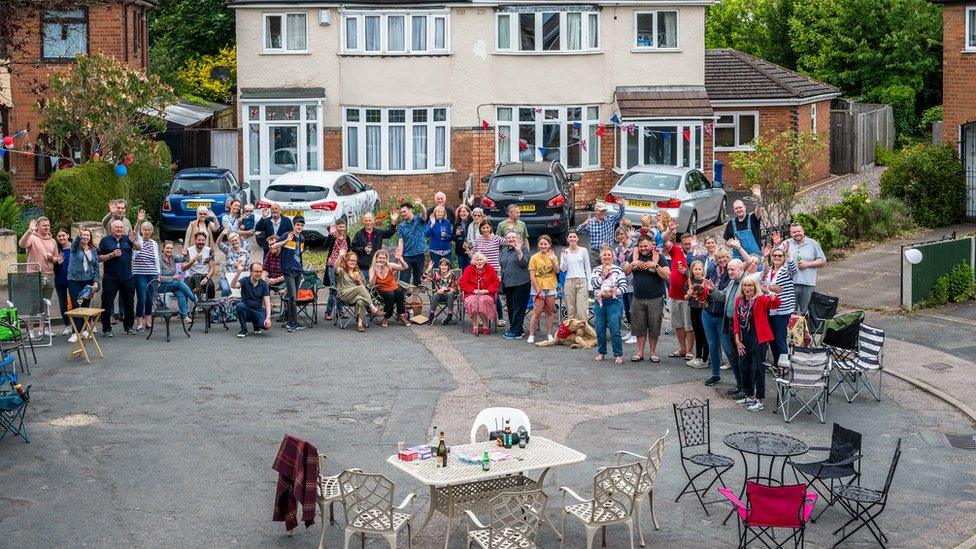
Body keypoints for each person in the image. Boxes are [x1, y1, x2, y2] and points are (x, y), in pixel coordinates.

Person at [733, 277, 781, 412]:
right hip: (743, 337)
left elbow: (776, 303)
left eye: (750, 286)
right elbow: (736, 320)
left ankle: (759, 399)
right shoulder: (739, 300)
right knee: (743, 366)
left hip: (759, 337)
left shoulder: (760, 299)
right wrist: (737, 339)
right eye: (745, 285)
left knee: (758, 368)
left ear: (755, 287)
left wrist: (768, 292)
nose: (747, 288)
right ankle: (749, 395)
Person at [625, 236, 670, 362]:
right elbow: (626, 271)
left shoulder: (659, 257)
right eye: (641, 246)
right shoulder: (634, 256)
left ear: (651, 245)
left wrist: (655, 265)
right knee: (639, 327)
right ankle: (640, 352)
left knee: (654, 326)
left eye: (645, 246)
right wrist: (633, 263)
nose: (643, 248)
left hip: (655, 298)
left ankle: (653, 353)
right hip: (638, 297)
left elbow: (667, 275)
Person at [708, 258, 747, 397]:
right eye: (728, 269)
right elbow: (723, 296)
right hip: (729, 324)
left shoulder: (746, 282)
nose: (729, 272)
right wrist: (712, 289)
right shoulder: (731, 283)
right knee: (733, 356)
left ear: (741, 269)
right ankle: (739, 385)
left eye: (732, 269)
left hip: (742, 326)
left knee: (742, 358)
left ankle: (746, 389)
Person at [98, 219, 141, 336]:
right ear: (112, 228)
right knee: (106, 303)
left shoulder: (128, 239)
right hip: (110, 277)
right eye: (116, 227)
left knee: (129, 303)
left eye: (121, 227)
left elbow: (138, 248)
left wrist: (134, 241)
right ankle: (106, 329)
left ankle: (129, 327)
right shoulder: (105, 241)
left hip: (127, 276)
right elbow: (98, 257)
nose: (119, 229)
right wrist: (111, 255)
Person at [762, 231, 797, 370]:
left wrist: (787, 253)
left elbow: (793, 269)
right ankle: (777, 363)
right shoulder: (770, 270)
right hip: (769, 309)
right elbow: (762, 281)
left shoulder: (786, 270)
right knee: (771, 338)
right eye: (775, 255)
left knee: (780, 338)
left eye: (779, 256)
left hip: (782, 310)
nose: (777, 257)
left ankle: (784, 365)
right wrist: (770, 287)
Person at [18, 216, 59, 338]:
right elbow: (21, 244)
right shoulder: (32, 237)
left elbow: (56, 258)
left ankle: (43, 329)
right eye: (44, 225)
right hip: (34, 274)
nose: (47, 227)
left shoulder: (53, 241)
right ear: (38, 226)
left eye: (48, 225)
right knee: (35, 304)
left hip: (49, 274)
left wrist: (53, 258)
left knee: (46, 304)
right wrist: (29, 230)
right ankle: (30, 330)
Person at [590, 247, 628, 364]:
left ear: (613, 257)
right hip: (599, 302)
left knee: (615, 329)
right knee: (600, 329)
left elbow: (623, 286)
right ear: (601, 257)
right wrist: (603, 276)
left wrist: (614, 292)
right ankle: (601, 352)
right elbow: (594, 284)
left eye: (609, 255)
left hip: (614, 303)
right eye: (604, 255)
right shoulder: (596, 270)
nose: (606, 257)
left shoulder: (618, 270)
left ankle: (618, 354)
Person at [701, 250, 732, 386]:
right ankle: (715, 375)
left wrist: (712, 289)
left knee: (727, 347)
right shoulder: (712, 271)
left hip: (722, 315)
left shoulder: (731, 273)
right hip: (708, 313)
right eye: (719, 258)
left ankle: (740, 380)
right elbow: (706, 286)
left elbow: (724, 296)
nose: (722, 260)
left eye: (724, 257)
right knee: (712, 345)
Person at [469, 220, 506, 327]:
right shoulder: (478, 240)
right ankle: (483, 318)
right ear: (480, 229)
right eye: (483, 228)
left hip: (493, 271)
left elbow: (508, 242)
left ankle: (500, 317)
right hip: (480, 271)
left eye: (487, 227)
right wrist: (468, 251)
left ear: (491, 228)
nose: (485, 230)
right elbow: (474, 256)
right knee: (482, 294)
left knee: (495, 294)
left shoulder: (496, 239)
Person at [665, 229, 696, 361]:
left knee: (688, 325)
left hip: (687, 296)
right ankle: (682, 348)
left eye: (689, 243)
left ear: (692, 243)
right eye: (685, 244)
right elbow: (664, 240)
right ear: (681, 243)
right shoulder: (675, 251)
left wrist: (687, 272)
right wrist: (669, 230)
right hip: (673, 295)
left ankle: (689, 350)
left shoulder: (696, 255)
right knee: (677, 325)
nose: (687, 246)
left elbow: (700, 273)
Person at [273, 216, 307, 333]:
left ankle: (289, 320)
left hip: (298, 270)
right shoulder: (287, 235)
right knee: (292, 296)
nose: (299, 227)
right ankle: (293, 323)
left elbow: (299, 255)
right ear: (293, 225)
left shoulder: (302, 238)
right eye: (298, 225)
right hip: (288, 271)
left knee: (294, 296)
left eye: (301, 225)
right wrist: (286, 241)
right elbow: (273, 246)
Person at [784, 222, 826, 315]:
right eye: (794, 232)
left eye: (799, 231)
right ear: (790, 234)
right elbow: (776, 257)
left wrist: (807, 264)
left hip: (808, 283)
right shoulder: (786, 243)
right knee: (791, 313)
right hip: (790, 283)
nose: (797, 233)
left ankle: (806, 329)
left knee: (806, 312)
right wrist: (776, 245)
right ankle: (791, 330)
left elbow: (822, 261)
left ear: (803, 231)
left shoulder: (813, 243)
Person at [66, 228, 100, 343]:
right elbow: (75, 243)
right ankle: (75, 332)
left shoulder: (93, 250)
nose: (85, 237)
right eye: (83, 235)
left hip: (88, 280)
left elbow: (95, 266)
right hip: (75, 280)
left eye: (87, 235)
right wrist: (79, 235)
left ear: (90, 238)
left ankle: (85, 329)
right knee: (77, 305)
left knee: (86, 305)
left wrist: (96, 281)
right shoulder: (75, 248)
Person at [335, 251, 382, 332]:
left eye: (355, 260)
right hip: (343, 295)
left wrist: (359, 280)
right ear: (346, 260)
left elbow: (364, 289)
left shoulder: (358, 273)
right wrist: (340, 256)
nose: (353, 262)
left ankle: (360, 325)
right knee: (360, 288)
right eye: (351, 260)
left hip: (355, 296)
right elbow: (335, 267)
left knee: (360, 299)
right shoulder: (342, 271)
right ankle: (372, 308)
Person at [459, 252, 500, 335]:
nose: (479, 261)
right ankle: (475, 325)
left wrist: (487, 290)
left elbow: (496, 282)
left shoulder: (490, 268)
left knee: (483, 301)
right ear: (474, 261)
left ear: (484, 261)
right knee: (472, 301)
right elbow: (462, 283)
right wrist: (473, 290)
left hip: (487, 293)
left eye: (481, 259)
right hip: (471, 293)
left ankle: (485, 326)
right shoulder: (468, 269)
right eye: (477, 260)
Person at [527, 235, 559, 343]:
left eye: (545, 244)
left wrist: (553, 260)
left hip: (550, 286)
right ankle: (531, 334)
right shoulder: (534, 257)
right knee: (537, 312)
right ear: (538, 245)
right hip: (538, 287)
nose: (543, 246)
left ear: (549, 245)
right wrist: (538, 290)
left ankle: (549, 333)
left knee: (550, 311)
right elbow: (532, 275)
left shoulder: (553, 256)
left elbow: (557, 270)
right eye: (541, 244)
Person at [499, 232, 530, 340]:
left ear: (518, 239)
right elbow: (502, 265)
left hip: (521, 283)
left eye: (513, 237)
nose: (511, 239)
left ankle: (515, 331)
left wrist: (518, 251)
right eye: (508, 237)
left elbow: (524, 263)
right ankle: (517, 329)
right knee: (511, 308)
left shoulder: (523, 249)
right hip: (508, 283)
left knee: (518, 308)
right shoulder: (505, 250)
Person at [577, 200, 627, 266]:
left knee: (609, 272)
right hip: (595, 253)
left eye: (604, 211)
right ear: (596, 211)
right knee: (596, 272)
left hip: (607, 251)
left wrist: (622, 206)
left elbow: (620, 215)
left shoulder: (610, 220)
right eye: (601, 211)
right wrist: (584, 224)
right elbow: (578, 231)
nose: (603, 213)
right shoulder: (590, 222)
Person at [132, 221, 161, 332]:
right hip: (140, 274)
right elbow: (135, 232)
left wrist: (158, 274)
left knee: (150, 298)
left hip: (152, 273)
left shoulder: (154, 243)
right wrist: (139, 221)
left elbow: (156, 259)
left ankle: (148, 322)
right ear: (142, 231)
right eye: (145, 229)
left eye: (149, 230)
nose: (147, 232)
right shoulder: (138, 241)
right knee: (142, 298)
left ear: (152, 231)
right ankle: (139, 323)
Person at [158, 241, 197, 322]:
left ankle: (184, 316)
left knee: (180, 292)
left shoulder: (172, 257)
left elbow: (183, 259)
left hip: (171, 285)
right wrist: (172, 277)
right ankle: (194, 299)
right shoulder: (159, 260)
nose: (169, 250)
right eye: (167, 248)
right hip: (161, 286)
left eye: (171, 248)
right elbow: (159, 277)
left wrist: (186, 254)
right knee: (178, 282)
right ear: (163, 249)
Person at [369, 249, 410, 327]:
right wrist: (375, 273)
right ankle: (386, 317)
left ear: (386, 259)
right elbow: (371, 285)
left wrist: (400, 259)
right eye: (380, 258)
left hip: (393, 288)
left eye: (384, 258)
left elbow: (405, 267)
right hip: (381, 290)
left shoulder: (390, 265)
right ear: (376, 258)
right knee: (391, 295)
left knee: (399, 291)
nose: (382, 260)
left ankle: (401, 315)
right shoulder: (372, 269)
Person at [231, 261, 273, 338]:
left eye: (260, 272)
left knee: (266, 326)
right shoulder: (244, 280)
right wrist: (239, 272)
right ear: (250, 272)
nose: (259, 274)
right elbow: (233, 286)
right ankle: (244, 329)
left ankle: (256, 325)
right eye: (256, 271)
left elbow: (267, 301)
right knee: (239, 305)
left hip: (257, 309)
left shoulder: (263, 284)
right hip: (246, 309)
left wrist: (268, 318)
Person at [351, 212, 395, 281]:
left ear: (373, 221)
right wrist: (363, 249)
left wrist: (393, 221)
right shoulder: (359, 234)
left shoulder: (378, 232)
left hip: (376, 265)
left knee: (375, 286)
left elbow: (390, 233)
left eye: (369, 220)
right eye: (366, 221)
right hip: (363, 265)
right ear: (363, 222)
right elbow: (353, 247)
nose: (368, 223)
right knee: (365, 285)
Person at [394, 200, 427, 286]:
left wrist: (420, 204)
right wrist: (399, 256)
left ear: (411, 210)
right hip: (407, 256)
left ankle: (415, 300)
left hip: (419, 254)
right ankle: (404, 299)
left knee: (417, 281)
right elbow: (400, 241)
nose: (403, 213)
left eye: (404, 211)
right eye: (401, 212)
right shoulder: (401, 226)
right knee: (404, 281)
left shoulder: (419, 220)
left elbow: (424, 214)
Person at [560, 231, 591, 322]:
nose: (572, 239)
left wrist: (589, 285)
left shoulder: (583, 250)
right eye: (570, 237)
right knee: (570, 311)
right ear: (567, 239)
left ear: (578, 238)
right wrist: (565, 258)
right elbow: (563, 269)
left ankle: (584, 333)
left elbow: (588, 267)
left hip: (581, 281)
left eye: (574, 237)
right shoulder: (564, 251)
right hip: (569, 282)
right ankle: (572, 334)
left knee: (582, 310)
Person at [323, 220, 351, 320]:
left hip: (343, 265)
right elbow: (325, 245)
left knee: (341, 287)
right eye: (340, 227)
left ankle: (340, 310)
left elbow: (349, 251)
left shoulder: (347, 238)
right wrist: (330, 234)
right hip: (332, 264)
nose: (342, 229)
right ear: (337, 227)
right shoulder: (333, 237)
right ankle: (328, 312)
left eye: (343, 227)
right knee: (334, 288)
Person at [685, 260, 709, 369]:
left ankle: (705, 358)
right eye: (695, 269)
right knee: (697, 332)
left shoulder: (706, 281)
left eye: (700, 269)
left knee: (704, 333)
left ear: (703, 270)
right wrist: (689, 294)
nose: (698, 271)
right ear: (692, 270)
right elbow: (685, 297)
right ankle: (698, 356)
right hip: (693, 308)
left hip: (703, 309)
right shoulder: (690, 281)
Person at [613, 228, 636, 344]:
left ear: (626, 234)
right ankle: (631, 331)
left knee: (633, 308)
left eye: (622, 234)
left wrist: (632, 236)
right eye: (618, 235)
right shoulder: (618, 249)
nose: (620, 236)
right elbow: (616, 264)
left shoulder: (633, 246)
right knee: (627, 309)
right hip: (623, 281)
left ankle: (635, 333)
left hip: (633, 280)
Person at [216, 229, 251, 297]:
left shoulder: (245, 253)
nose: (234, 242)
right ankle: (223, 305)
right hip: (227, 276)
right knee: (226, 289)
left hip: (240, 277)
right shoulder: (228, 250)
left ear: (239, 240)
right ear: (229, 242)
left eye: (236, 240)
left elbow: (247, 268)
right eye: (232, 241)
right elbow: (219, 244)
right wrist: (222, 234)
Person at [184, 232, 217, 300]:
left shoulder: (209, 250)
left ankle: (210, 304)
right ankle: (192, 305)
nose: (201, 242)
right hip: (192, 276)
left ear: (205, 240)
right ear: (195, 240)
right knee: (186, 287)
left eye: (203, 240)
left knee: (210, 285)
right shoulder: (188, 251)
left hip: (204, 275)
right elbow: (183, 268)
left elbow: (212, 268)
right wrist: (193, 260)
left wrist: (207, 278)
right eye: (199, 240)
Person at [427, 257, 458, 325]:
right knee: (435, 294)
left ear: (448, 266)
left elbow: (455, 289)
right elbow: (423, 279)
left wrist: (445, 288)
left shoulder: (452, 274)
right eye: (442, 265)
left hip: (450, 296)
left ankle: (450, 315)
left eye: (446, 265)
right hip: (440, 296)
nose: (444, 267)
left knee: (450, 294)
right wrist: (428, 270)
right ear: (439, 266)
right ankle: (431, 315)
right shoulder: (436, 274)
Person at [54, 229, 72, 336]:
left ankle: (80, 324)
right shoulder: (56, 249)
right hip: (60, 278)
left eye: (63, 235)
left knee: (76, 301)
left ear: (68, 235)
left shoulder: (75, 246)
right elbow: (52, 262)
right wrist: (57, 263)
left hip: (73, 279)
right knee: (63, 303)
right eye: (59, 236)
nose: (61, 238)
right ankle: (67, 325)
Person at [453, 205, 473, 271]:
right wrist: (456, 235)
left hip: (470, 249)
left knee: (469, 269)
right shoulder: (457, 224)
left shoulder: (472, 223)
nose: (462, 213)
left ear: (468, 213)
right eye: (460, 212)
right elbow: (453, 238)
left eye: (464, 211)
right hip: (460, 250)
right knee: (461, 269)